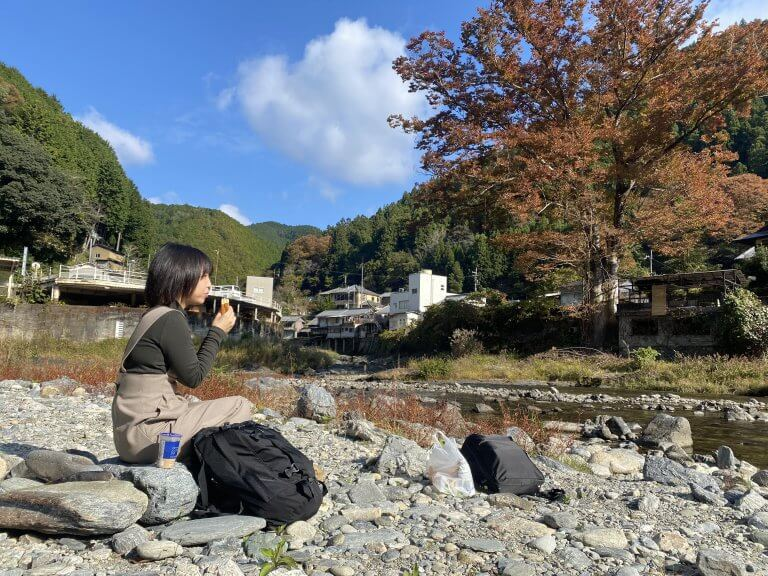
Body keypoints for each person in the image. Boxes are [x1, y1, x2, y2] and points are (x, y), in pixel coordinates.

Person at [112, 243, 252, 464]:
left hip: (129, 438)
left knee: (196, 407)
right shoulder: (171, 318)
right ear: (181, 276)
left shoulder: (154, 315)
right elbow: (194, 377)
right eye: (203, 276)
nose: (209, 284)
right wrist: (217, 331)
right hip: (148, 439)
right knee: (240, 405)